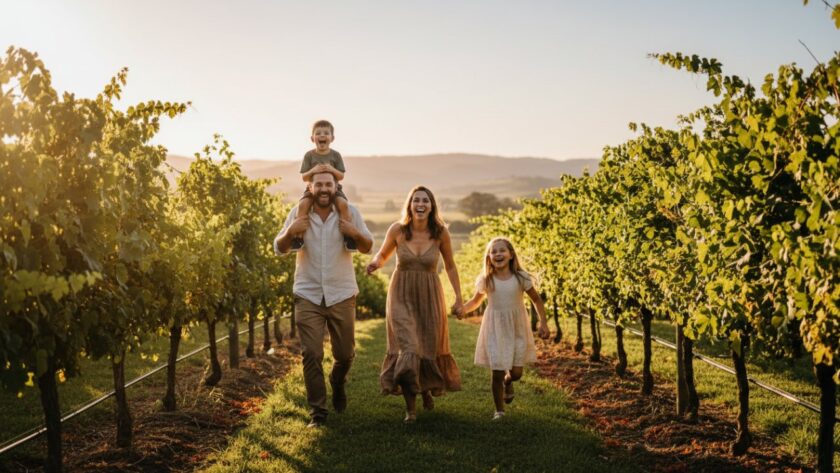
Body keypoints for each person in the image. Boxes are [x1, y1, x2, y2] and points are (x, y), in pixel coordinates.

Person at [274, 171, 374, 428]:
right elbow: (279, 248)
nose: (324, 188)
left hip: (341, 293)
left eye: (328, 184)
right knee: (311, 354)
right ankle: (318, 413)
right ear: (310, 186)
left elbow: (367, 246)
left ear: (336, 186)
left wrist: (354, 231)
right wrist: (290, 232)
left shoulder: (349, 212)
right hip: (307, 293)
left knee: (345, 354)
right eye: (318, 184)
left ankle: (338, 383)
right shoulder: (299, 213)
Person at [366, 185, 463, 423]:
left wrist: (459, 297)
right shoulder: (398, 230)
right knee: (408, 348)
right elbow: (383, 254)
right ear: (410, 205)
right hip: (401, 293)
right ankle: (410, 409)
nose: (420, 204)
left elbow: (450, 265)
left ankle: (425, 389)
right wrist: (376, 263)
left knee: (426, 348)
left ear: (432, 206)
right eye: (416, 200)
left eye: (425, 201)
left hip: (430, 295)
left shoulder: (440, 233)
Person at [460, 237, 550, 420]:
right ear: (489, 257)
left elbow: (536, 299)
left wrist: (543, 322)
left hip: (517, 327)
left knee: (516, 372)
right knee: (497, 371)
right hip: (495, 328)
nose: (498, 254)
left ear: (511, 255)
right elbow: (476, 301)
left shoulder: (520, 277)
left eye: (502, 250)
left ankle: (509, 382)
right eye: (493, 251)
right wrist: (463, 309)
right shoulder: (487, 279)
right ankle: (499, 410)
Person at [292, 119, 356, 251]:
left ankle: (348, 238)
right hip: (313, 189)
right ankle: (298, 238)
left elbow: (341, 176)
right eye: (318, 133)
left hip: (334, 189)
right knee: (302, 206)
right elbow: (304, 177)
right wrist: (313, 171)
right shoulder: (309, 156)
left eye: (326, 133)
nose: (322, 135)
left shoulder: (336, 155)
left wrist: (331, 169)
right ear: (312, 138)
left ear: (332, 138)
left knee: (343, 205)